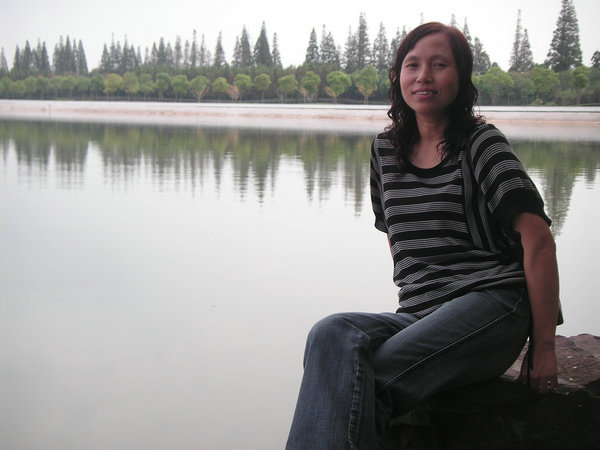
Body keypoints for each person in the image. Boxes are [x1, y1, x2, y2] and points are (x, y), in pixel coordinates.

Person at [285, 22, 560, 450]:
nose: (423, 76)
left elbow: (538, 241)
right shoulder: (384, 151)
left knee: (361, 380)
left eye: (439, 65)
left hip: (493, 304)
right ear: (398, 76)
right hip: (420, 315)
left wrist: (544, 347)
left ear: (461, 76)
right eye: (412, 65)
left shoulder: (481, 144)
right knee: (330, 333)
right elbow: (397, 239)